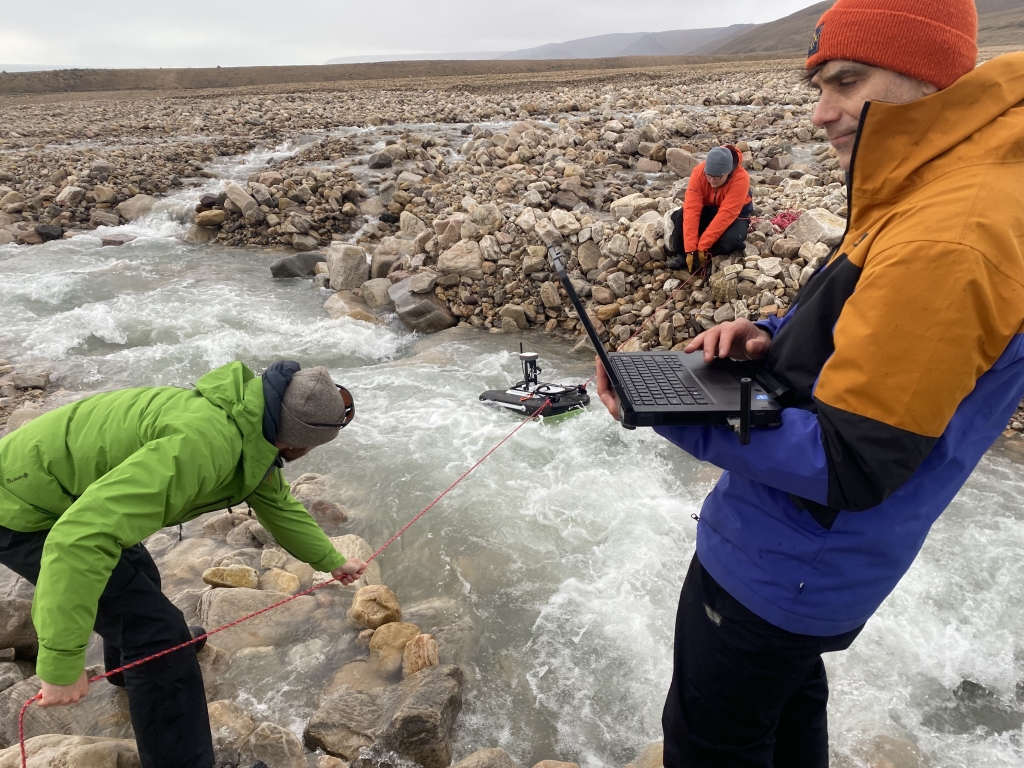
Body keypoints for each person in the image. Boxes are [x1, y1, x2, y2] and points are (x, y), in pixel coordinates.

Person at [597, 0, 1024, 765]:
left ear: (930, 73)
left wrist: (661, 399)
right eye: (817, 86)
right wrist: (772, 335)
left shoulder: (950, 231)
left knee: (711, 743)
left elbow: (850, 460)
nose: (822, 114)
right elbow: (879, 323)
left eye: (847, 81)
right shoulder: (947, 179)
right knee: (784, 713)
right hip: (815, 564)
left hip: (786, 564)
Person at [0, 360, 367, 768]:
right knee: (160, 636)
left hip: (59, 493)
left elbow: (277, 504)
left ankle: (129, 672)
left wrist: (332, 561)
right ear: (300, 438)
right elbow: (78, 538)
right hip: (22, 508)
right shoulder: (204, 443)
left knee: (141, 576)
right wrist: (60, 663)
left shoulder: (250, 425)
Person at [666, 144, 753, 272]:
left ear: (728, 172)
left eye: (718, 177)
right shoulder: (699, 172)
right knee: (681, 215)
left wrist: (703, 246)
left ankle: (707, 257)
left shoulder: (741, 178)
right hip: (708, 208)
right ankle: (684, 255)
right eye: (709, 176)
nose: (712, 181)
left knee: (731, 240)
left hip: (735, 215)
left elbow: (726, 214)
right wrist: (690, 248)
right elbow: (692, 209)